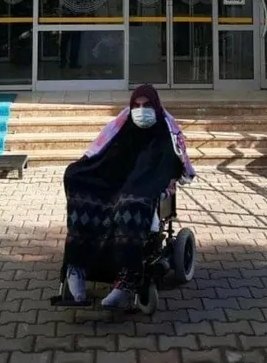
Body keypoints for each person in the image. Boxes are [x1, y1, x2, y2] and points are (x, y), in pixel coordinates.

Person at [62, 84, 195, 309]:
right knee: (77, 180)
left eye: (147, 105)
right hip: (118, 180)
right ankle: (77, 266)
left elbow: (169, 167)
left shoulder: (164, 133)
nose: (142, 110)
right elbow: (106, 157)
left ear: (156, 106)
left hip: (146, 183)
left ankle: (127, 278)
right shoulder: (124, 128)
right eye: (137, 106)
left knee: (131, 204)